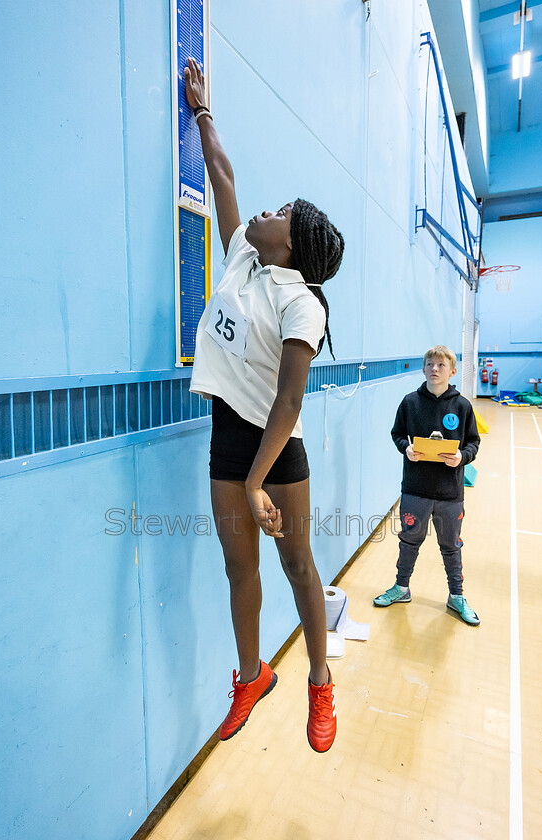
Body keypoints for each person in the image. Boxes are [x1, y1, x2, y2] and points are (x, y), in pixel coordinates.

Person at [183, 58, 344, 751]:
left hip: (276, 450)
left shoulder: (301, 304)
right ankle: (251, 677)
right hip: (227, 433)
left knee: (296, 563)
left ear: (294, 247)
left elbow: (287, 403)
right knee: (237, 566)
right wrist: (201, 112)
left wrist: (255, 484)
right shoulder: (246, 259)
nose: (266, 212)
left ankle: (319, 680)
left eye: (280, 214)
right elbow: (222, 175)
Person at [373, 345, 481, 625]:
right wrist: (405, 450)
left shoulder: (462, 406)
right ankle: (401, 587)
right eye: (430, 364)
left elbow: (473, 443)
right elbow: (397, 434)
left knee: (451, 546)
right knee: (408, 541)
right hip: (415, 490)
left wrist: (461, 457)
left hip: (449, 493)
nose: (434, 369)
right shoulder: (410, 402)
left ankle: (456, 596)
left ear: (452, 371)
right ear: (423, 368)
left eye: (441, 365)